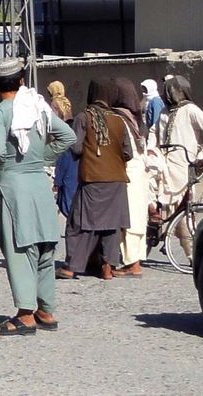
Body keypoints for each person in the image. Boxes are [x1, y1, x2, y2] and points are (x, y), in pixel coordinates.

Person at [0, 58, 76, 335]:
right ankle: (46, 311)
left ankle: (25, 315)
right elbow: (68, 136)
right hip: (39, 184)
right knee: (45, 249)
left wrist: (3, 171)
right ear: (22, 80)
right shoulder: (37, 107)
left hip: (14, 187)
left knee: (20, 250)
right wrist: (40, 159)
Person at [61, 79, 131, 280]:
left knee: (79, 222)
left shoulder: (84, 118)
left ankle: (72, 266)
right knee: (111, 225)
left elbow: (76, 148)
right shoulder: (119, 120)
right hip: (117, 179)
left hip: (93, 178)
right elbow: (128, 153)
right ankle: (108, 267)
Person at [153, 75, 203, 259]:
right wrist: (151, 150)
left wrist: (202, 156)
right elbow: (154, 132)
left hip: (184, 167)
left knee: (185, 210)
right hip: (164, 167)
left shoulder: (191, 110)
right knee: (160, 207)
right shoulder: (165, 112)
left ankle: (192, 254)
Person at [110, 77, 151, 277]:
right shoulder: (135, 117)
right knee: (138, 217)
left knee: (130, 219)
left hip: (128, 171)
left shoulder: (119, 118)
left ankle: (132, 264)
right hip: (140, 172)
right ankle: (135, 260)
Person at [49, 90, 79, 217]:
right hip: (75, 173)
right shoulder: (66, 102)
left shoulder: (63, 131)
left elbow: (64, 159)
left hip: (69, 174)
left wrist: (58, 181)